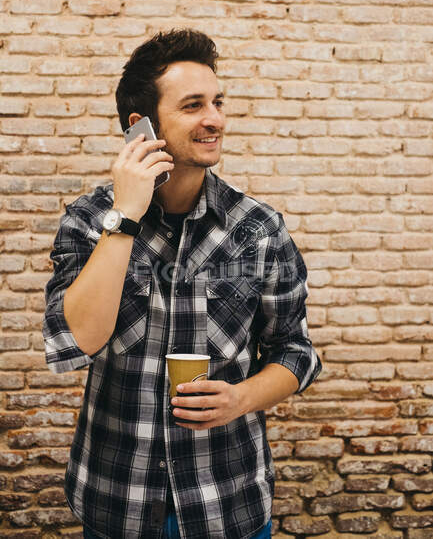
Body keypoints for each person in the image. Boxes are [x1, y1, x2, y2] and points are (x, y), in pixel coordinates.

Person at [43, 28, 322, 539]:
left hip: (228, 501)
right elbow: (75, 342)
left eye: (218, 102)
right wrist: (125, 216)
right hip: (118, 501)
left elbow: (296, 351)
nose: (214, 118)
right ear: (141, 128)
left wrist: (240, 398)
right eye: (193, 105)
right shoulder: (88, 221)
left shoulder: (256, 228)